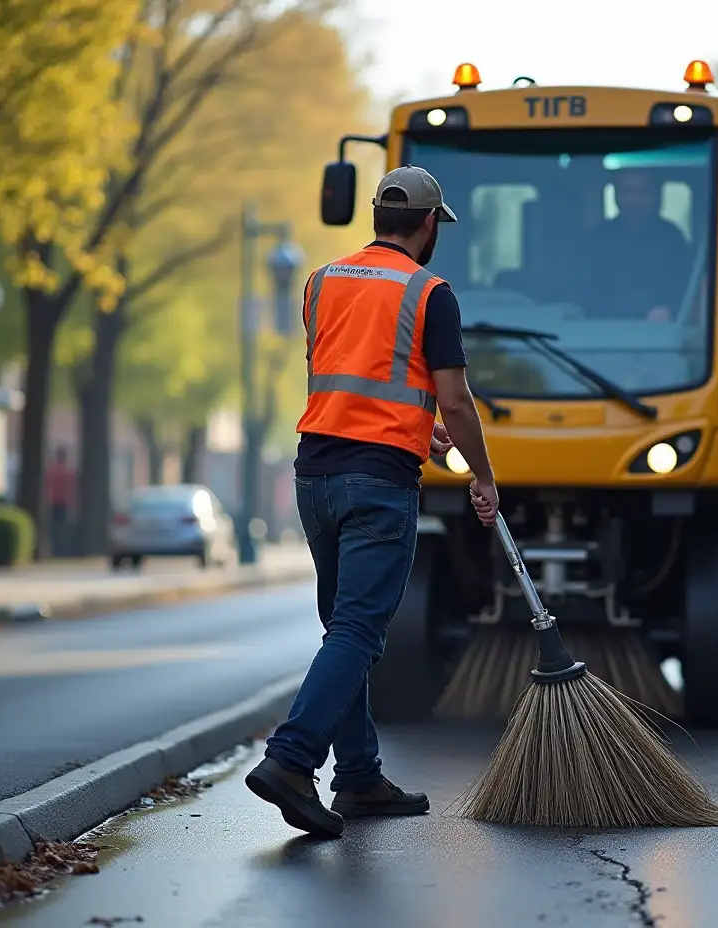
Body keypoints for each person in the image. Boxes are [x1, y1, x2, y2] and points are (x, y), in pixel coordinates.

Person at [245, 165, 500, 838]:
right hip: (378, 481)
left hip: (316, 475)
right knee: (359, 631)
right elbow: (455, 395)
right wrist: (483, 473)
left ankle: (357, 777)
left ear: (376, 218)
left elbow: (351, 377)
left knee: (344, 631)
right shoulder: (430, 292)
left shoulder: (322, 281)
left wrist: (423, 424)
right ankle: (291, 759)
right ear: (426, 226)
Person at [587, 168, 693, 321]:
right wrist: (637, 312)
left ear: (657, 196)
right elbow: (585, 296)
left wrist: (671, 309)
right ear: (617, 197)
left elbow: (686, 291)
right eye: (627, 192)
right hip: (600, 333)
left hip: (661, 335)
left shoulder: (673, 238)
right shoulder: (595, 240)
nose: (635, 200)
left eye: (644, 191)